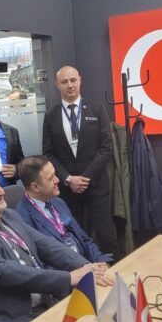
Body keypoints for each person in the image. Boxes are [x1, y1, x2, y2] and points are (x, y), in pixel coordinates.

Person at [0, 163, 112, 322]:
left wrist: (86, 267)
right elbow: (7, 272)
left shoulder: (9, 216)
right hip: (13, 320)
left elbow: (47, 245)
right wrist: (69, 278)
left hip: (47, 304)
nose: (1, 191)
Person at [42, 65, 119, 258]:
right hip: (67, 189)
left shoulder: (97, 109)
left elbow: (106, 148)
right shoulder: (51, 116)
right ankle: (83, 271)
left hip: (95, 185)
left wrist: (85, 178)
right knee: (73, 235)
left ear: (80, 80)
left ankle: (116, 269)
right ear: (57, 85)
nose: (70, 85)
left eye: (73, 80)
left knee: (106, 234)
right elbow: (48, 154)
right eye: (64, 82)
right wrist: (68, 179)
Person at [15, 155, 112, 264]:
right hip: (68, 272)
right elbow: (41, 265)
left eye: (55, 174)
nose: (57, 180)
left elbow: (84, 239)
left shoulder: (58, 202)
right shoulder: (22, 219)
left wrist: (101, 261)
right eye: (51, 178)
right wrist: (83, 270)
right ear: (35, 187)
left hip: (88, 265)